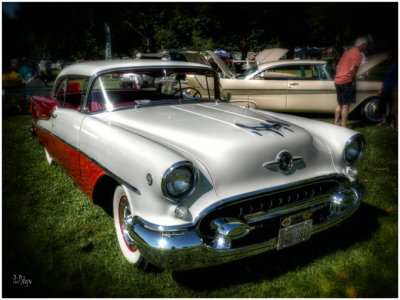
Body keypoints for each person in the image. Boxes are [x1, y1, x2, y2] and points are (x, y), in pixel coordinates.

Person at [334, 37, 369, 127]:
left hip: (338, 80)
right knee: (346, 106)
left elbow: (338, 66)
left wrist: (340, 75)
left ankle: (336, 123)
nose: (366, 47)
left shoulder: (346, 52)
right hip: (347, 81)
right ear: (362, 45)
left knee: (339, 104)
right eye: (366, 45)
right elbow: (352, 69)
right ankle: (344, 126)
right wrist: (353, 80)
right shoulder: (358, 54)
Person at [377, 49, 398, 129]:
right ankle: (384, 121)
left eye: (389, 56)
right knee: (382, 105)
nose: (388, 57)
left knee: (392, 107)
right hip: (385, 88)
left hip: (393, 89)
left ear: (393, 57)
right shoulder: (388, 66)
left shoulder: (397, 67)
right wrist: (381, 89)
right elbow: (385, 79)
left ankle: (392, 123)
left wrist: (396, 90)